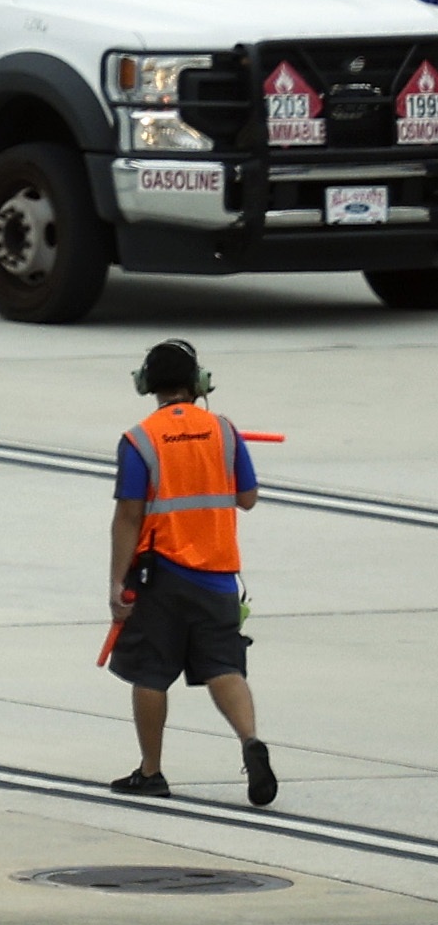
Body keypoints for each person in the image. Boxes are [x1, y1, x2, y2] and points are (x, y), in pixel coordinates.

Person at [106, 334, 275, 807]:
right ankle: (250, 743)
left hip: (161, 576)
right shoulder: (223, 430)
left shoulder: (140, 440)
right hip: (219, 575)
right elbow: (247, 498)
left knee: (151, 673)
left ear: (147, 385)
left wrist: (118, 583)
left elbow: (128, 516)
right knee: (224, 666)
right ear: (198, 382)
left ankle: (151, 771)